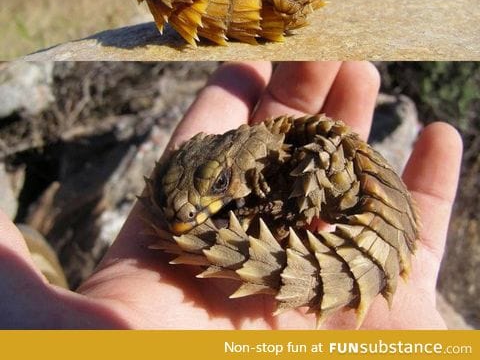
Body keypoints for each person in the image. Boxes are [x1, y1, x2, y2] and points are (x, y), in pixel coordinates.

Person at [0, 61, 462, 329]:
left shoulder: (290, 154)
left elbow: (319, 168)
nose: (191, 213)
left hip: (377, 224)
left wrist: (276, 210)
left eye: (221, 185)